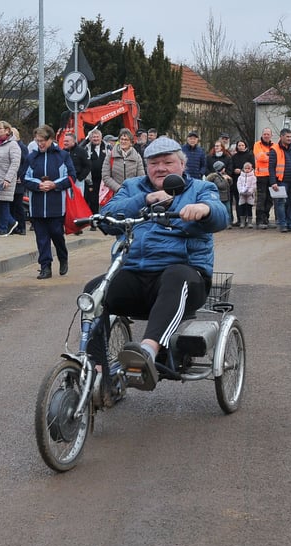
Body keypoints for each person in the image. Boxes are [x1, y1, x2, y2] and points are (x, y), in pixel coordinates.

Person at [89, 136, 228, 390]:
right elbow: (107, 216)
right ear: (146, 166)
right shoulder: (133, 187)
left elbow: (220, 214)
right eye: (154, 163)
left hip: (184, 278)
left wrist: (204, 210)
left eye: (168, 162)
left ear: (182, 164)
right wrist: (145, 199)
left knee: (176, 277)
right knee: (94, 291)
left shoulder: (200, 188)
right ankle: (98, 373)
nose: (161, 168)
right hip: (135, 274)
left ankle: (147, 352)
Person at [23, 124, 75, 279]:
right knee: (42, 238)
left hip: (57, 205)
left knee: (57, 234)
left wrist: (55, 185)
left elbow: (71, 177)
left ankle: (63, 257)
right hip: (37, 206)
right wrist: (38, 185)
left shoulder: (62, 156)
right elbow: (24, 177)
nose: (40, 144)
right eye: (37, 141)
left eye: (42, 141)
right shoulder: (31, 157)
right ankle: (45, 267)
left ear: (50, 139)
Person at [268, 127, 291, 233]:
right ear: (281, 136)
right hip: (281, 180)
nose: (289, 139)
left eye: (290, 136)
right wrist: (273, 182)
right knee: (281, 202)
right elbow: (271, 167)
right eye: (287, 136)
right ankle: (283, 224)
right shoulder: (274, 149)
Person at [101, 128, 145, 196]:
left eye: (126, 140)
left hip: (132, 193)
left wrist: (132, 189)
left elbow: (141, 177)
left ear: (131, 142)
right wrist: (119, 189)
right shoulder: (111, 155)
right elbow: (105, 176)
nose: (123, 141)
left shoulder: (137, 156)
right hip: (115, 194)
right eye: (121, 139)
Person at [253, 127, 276, 229]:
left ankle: (266, 218)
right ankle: (259, 220)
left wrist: (267, 155)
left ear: (271, 135)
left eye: (268, 134)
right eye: (265, 134)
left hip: (272, 176)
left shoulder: (274, 146)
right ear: (262, 135)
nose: (266, 136)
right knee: (261, 199)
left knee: (270, 199)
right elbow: (260, 157)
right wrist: (270, 156)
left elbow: (277, 158)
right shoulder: (257, 145)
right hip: (261, 176)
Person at [229, 140, 254, 225]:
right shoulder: (234, 157)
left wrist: (242, 171)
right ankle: (240, 219)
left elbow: (252, 167)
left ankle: (247, 219)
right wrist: (234, 170)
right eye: (239, 145)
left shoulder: (249, 156)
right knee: (238, 201)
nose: (241, 147)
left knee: (247, 202)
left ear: (245, 146)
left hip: (248, 181)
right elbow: (231, 167)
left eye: (242, 145)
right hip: (237, 180)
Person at [86, 128, 110, 215]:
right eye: (94, 137)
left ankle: (105, 216)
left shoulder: (108, 147)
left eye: (97, 137)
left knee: (105, 199)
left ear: (101, 137)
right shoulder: (86, 149)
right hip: (92, 180)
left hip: (105, 179)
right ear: (90, 138)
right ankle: (95, 217)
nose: (96, 139)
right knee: (93, 200)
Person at [236, 161, 256, 228]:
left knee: (249, 208)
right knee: (242, 208)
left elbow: (253, 185)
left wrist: (250, 191)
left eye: (248, 168)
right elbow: (239, 185)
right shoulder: (240, 177)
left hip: (250, 195)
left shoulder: (253, 177)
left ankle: (250, 222)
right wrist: (241, 191)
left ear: (251, 168)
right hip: (242, 195)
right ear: (243, 169)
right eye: (245, 168)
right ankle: (242, 222)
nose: (247, 170)